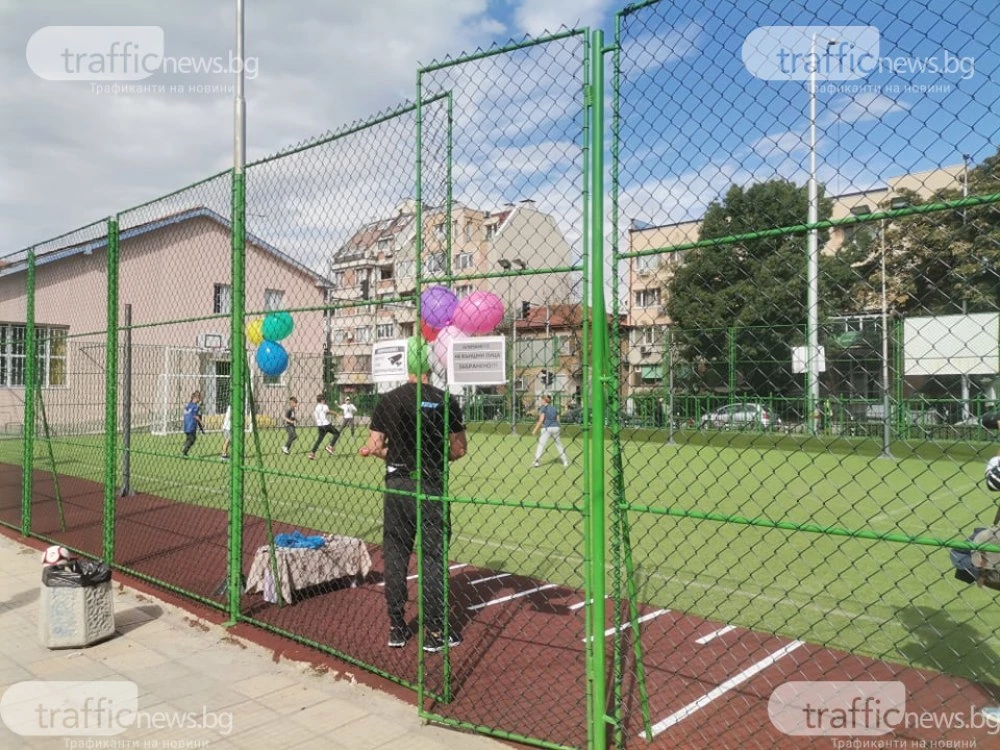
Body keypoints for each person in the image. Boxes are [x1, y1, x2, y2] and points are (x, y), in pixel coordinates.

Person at [361, 337, 467, 652]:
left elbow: (376, 446)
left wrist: (392, 456)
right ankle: (435, 632)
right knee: (433, 557)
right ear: (432, 365)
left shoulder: (388, 400)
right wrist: (433, 458)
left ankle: (397, 627)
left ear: (406, 364)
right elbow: (459, 449)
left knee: (395, 555)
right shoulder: (445, 400)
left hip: (397, 486)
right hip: (431, 485)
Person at [531, 394, 569, 468]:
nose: (540, 401)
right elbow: (558, 419)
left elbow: (541, 420)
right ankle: (565, 461)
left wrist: (535, 430)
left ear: (544, 400)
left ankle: (537, 462)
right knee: (559, 445)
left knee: (541, 445)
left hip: (547, 428)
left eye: (541, 400)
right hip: (556, 428)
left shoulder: (543, 408)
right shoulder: (554, 408)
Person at [308, 394, 340, 459]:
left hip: (319, 426)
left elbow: (324, 413)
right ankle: (330, 447)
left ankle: (312, 454)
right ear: (322, 400)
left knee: (319, 440)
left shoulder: (316, 407)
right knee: (337, 433)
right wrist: (336, 413)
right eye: (324, 399)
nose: (325, 400)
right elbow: (329, 411)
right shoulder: (324, 406)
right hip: (326, 425)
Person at [181, 391, 204, 457]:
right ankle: (184, 449)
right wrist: (201, 422)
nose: (200, 400)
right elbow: (196, 416)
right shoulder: (195, 406)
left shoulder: (188, 405)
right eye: (199, 398)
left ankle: (185, 452)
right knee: (192, 439)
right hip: (191, 425)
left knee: (189, 438)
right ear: (196, 398)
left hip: (186, 425)